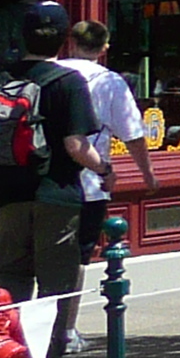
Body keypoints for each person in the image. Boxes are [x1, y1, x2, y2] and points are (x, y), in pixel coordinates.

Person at [0, 2, 103, 358]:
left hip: (5, 195)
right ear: (64, 39)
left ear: (21, 35)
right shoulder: (67, 82)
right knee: (54, 286)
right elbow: (77, 145)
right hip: (56, 196)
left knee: (10, 281)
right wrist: (105, 169)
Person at [61, 19, 158, 218]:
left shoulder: (49, 73)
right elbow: (133, 135)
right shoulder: (111, 82)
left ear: (72, 43)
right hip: (88, 184)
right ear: (104, 48)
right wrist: (148, 174)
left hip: (39, 185)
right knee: (82, 246)